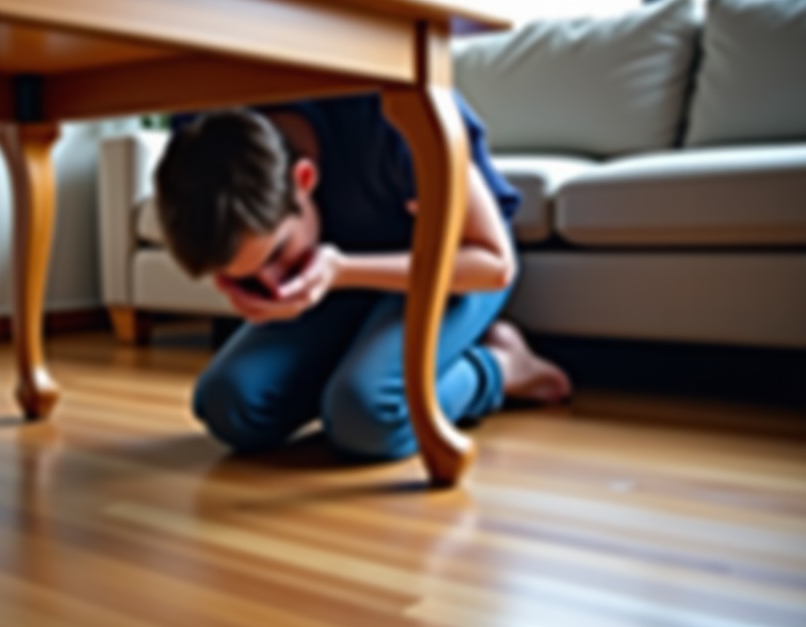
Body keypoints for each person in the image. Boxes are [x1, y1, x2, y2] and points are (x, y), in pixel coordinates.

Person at [154, 93, 571, 461]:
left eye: (278, 253)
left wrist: (342, 271)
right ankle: (360, 362)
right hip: (340, 287)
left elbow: (494, 263)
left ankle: (503, 367)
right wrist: (239, 283)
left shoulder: (392, 119)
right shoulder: (206, 132)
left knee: (367, 417)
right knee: (229, 407)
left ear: (304, 180)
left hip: (451, 272)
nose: (273, 281)